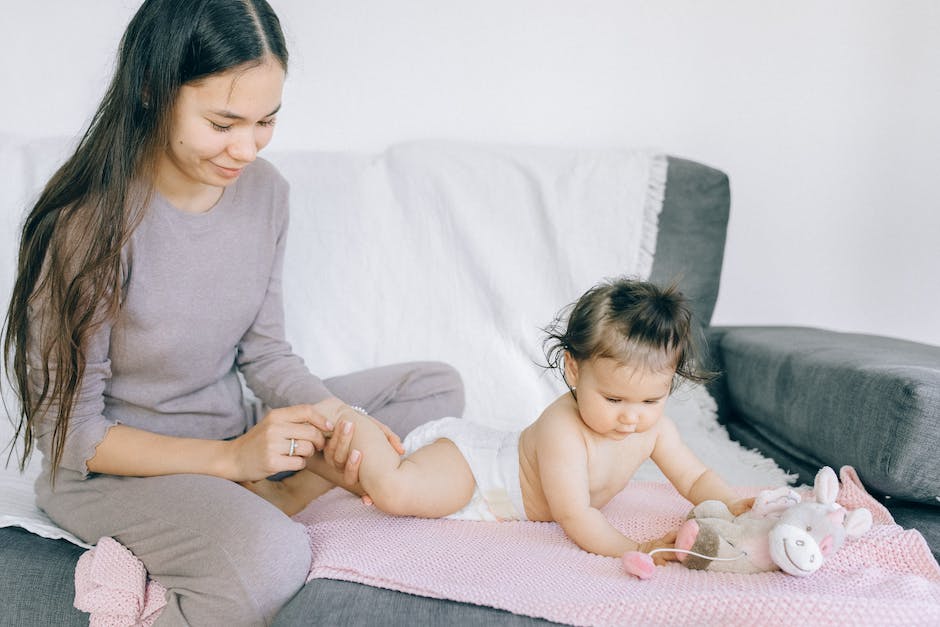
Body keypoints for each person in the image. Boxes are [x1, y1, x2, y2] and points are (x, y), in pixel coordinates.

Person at [2, 1, 463, 624]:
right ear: (151, 92)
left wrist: (332, 415)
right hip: (113, 474)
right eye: (223, 123)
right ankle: (260, 500)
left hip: (231, 429)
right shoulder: (89, 224)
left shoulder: (267, 192)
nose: (245, 149)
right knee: (271, 559)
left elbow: (265, 351)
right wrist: (232, 461)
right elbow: (75, 434)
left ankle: (280, 490)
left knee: (433, 388)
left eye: (265, 121)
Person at [258, 277, 753, 561]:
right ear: (574, 370)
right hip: (478, 470)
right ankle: (340, 417)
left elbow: (693, 476)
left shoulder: (653, 429)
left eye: (650, 401)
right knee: (396, 492)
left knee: (384, 485)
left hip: (497, 495)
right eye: (615, 399)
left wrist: (735, 503)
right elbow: (574, 514)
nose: (631, 418)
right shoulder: (564, 428)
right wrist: (635, 548)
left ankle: (316, 465)